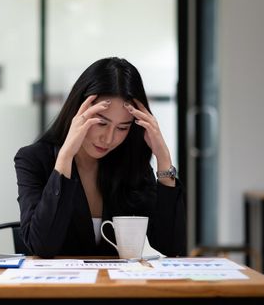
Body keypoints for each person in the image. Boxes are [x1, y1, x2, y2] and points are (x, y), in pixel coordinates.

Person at [14, 57, 186, 258]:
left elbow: (170, 245)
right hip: (57, 287)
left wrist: (163, 159)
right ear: (79, 112)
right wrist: (66, 156)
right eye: (101, 123)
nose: (108, 138)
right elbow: (42, 246)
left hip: (114, 287)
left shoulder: (130, 165)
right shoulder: (34, 159)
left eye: (122, 128)